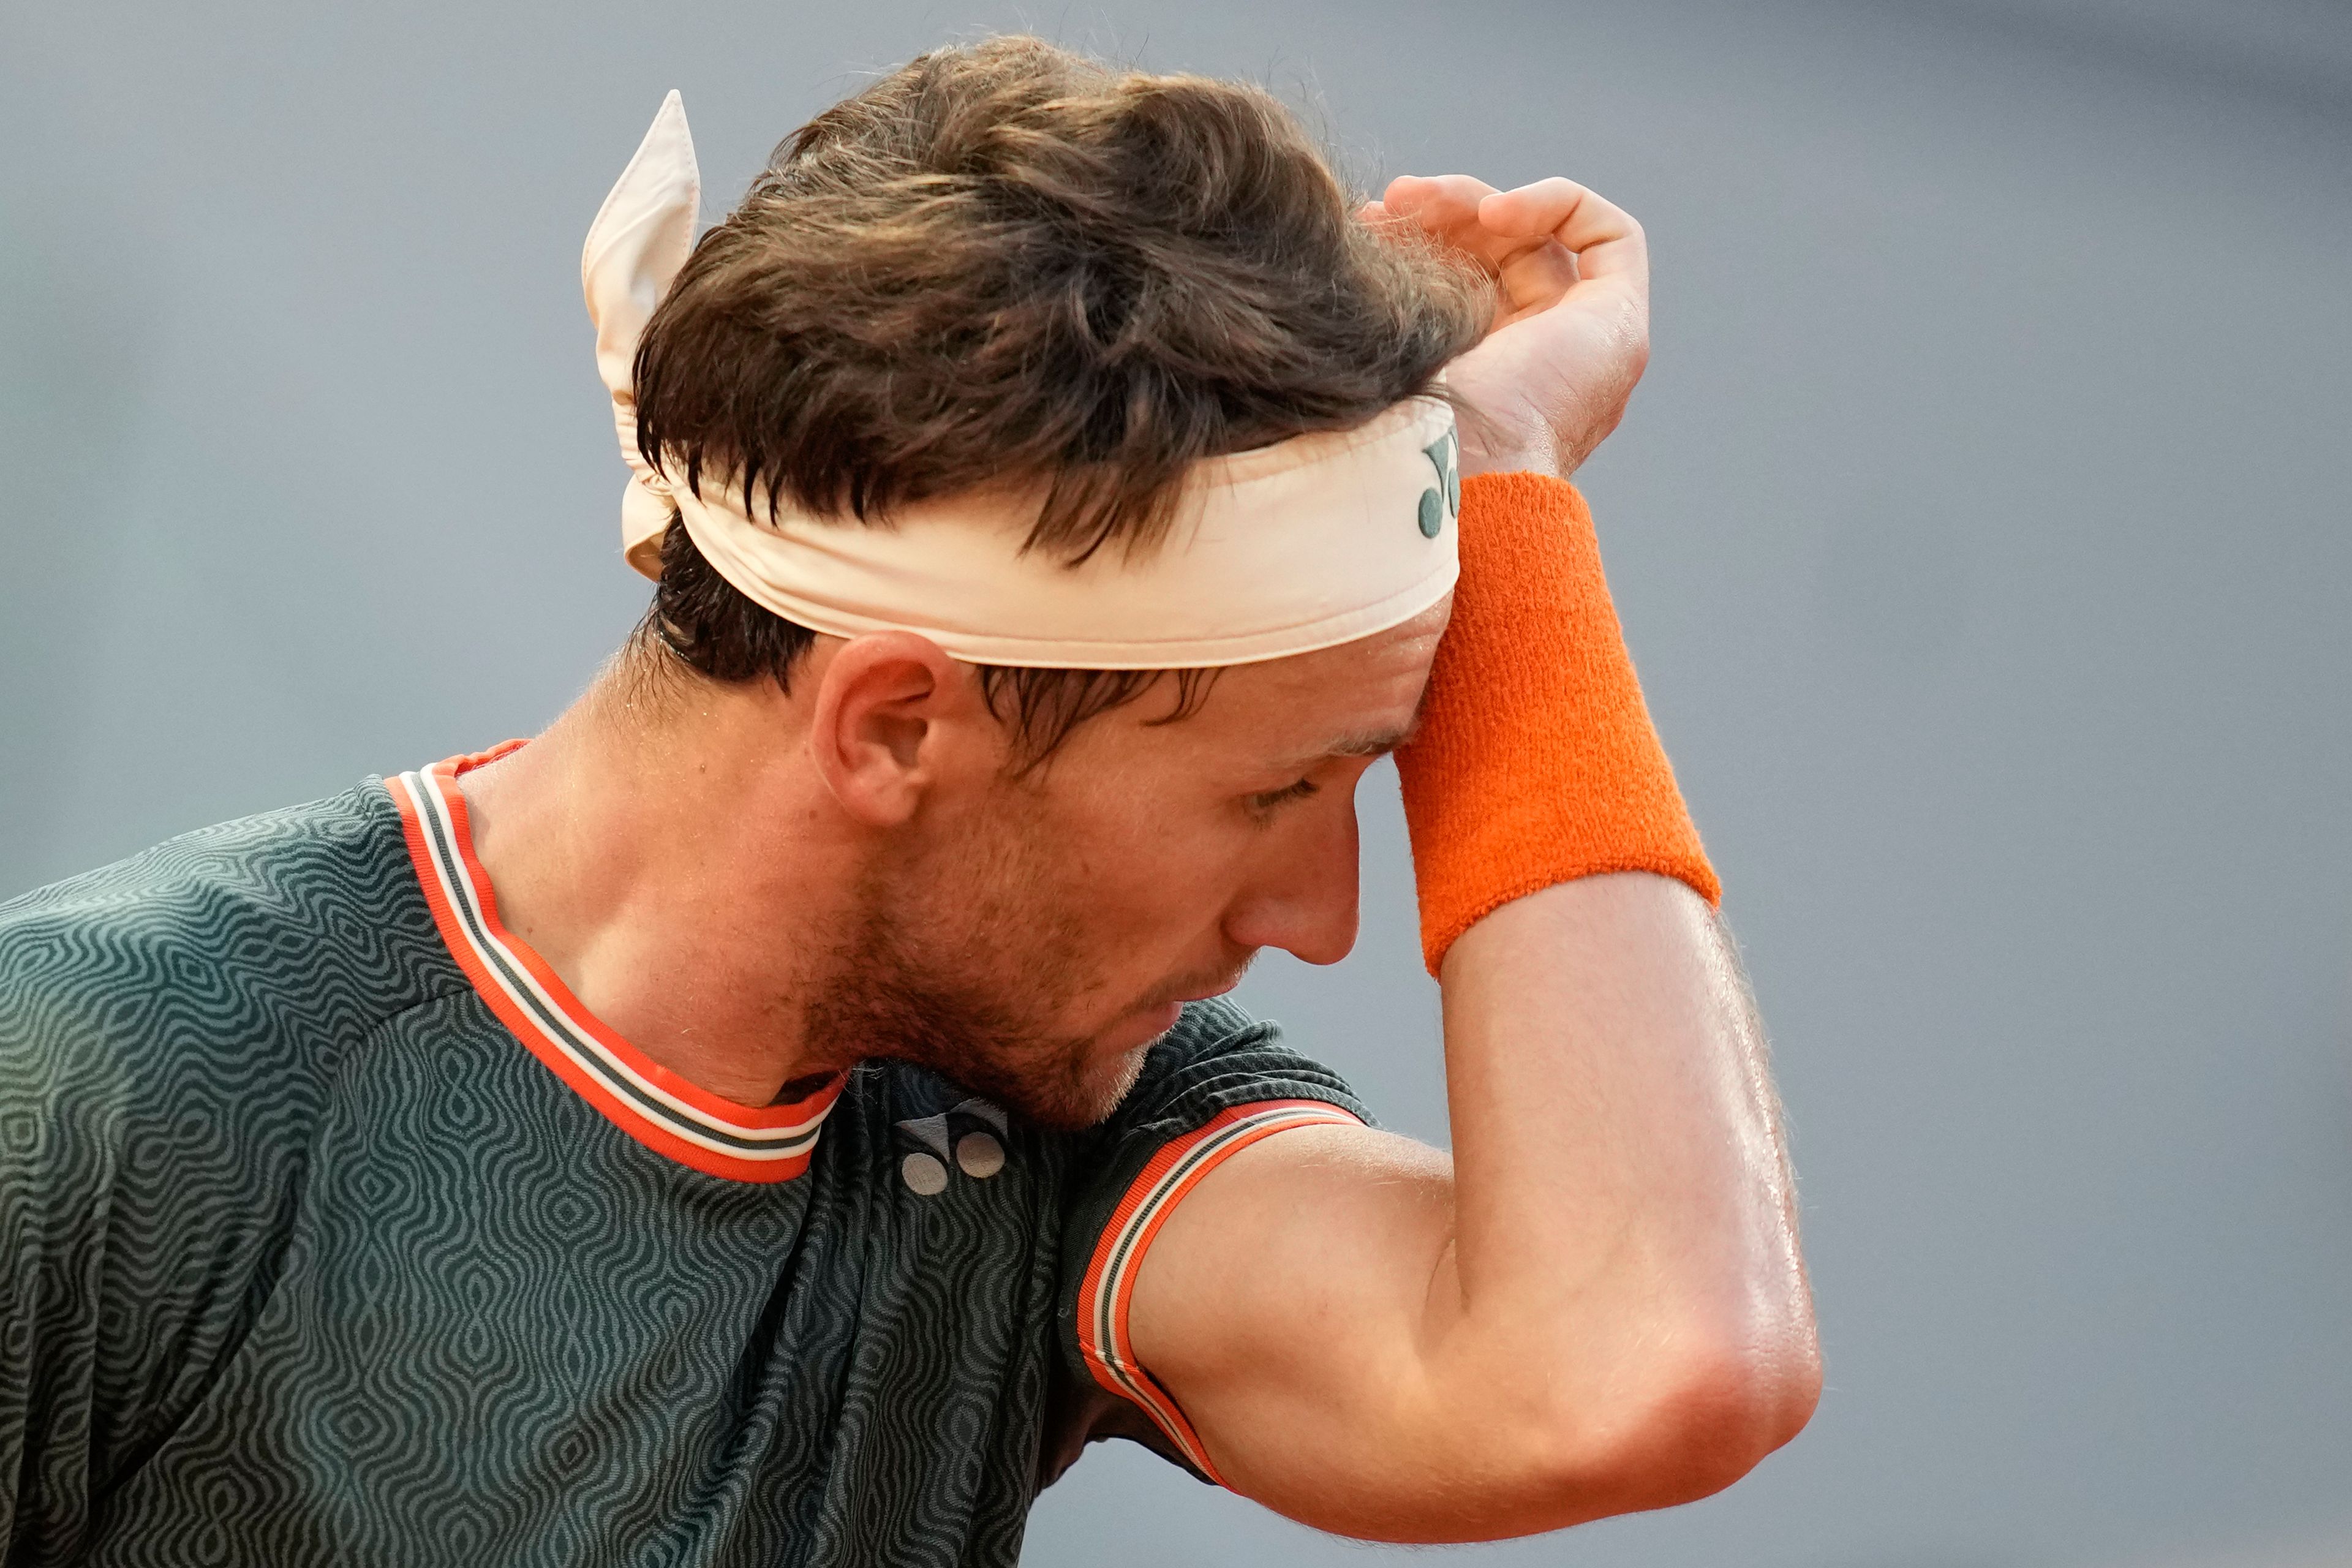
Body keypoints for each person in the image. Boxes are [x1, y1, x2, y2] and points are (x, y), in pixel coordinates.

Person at [0, 36, 1818, 1566]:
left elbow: (1643, 1360)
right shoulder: (101, 1087)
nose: (1324, 918)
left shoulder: (1055, 1136)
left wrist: (1501, 507)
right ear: (886, 727)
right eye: (1277, 789)